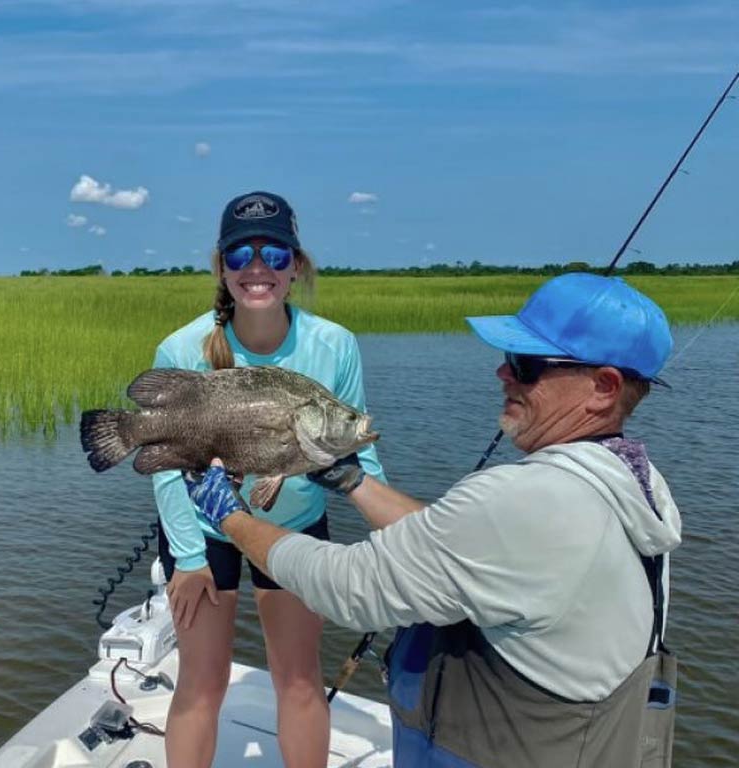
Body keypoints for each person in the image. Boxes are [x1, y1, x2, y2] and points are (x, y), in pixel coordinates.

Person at [185, 272, 682, 767]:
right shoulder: (636, 486)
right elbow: (450, 541)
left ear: (603, 386)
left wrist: (231, 518)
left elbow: (348, 587)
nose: (502, 374)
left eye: (525, 364)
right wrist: (353, 481)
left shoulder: (529, 500)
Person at [152, 190, 387, 768]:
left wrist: (392, 541)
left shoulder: (335, 345)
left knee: (301, 680)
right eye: (241, 255)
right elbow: (165, 465)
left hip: (297, 524)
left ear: (296, 265)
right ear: (221, 266)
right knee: (201, 685)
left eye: (275, 254)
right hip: (205, 534)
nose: (258, 269)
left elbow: (360, 453)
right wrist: (187, 559)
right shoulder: (182, 348)